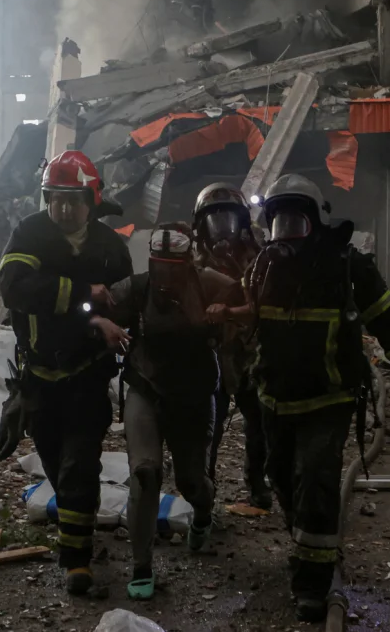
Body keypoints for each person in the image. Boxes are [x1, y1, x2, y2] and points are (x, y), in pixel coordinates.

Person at [244, 174, 390, 622]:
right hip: (275, 399)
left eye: (297, 222)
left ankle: (312, 584)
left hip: (328, 400)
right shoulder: (262, 268)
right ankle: (308, 544)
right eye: (279, 222)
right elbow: (237, 318)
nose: (286, 233)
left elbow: (388, 320)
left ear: (317, 224)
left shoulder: (347, 268)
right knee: (282, 479)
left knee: (315, 478)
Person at [0, 150, 133, 596]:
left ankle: (77, 560)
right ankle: (79, 521)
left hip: (86, 376)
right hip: (39, 378)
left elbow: (122, 303)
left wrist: (110, 323)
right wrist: (82, 297)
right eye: (55, 198)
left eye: (72, 199)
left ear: (91, 201)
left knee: (79, 464)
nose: (63, 208)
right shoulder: (30, 234)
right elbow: (15, 289)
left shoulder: (110, 248)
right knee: (56, 463)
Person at [104, 222, 242, 600]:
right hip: (146, 390)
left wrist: (227, 312)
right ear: (151, 262)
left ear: (188, 263)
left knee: (191, 481)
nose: (166, 276)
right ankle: (141, 565)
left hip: (194, 397)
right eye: (160, 266)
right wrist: (101, 323)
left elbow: (251, 303)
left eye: (174, 267)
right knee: (145, 473)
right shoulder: (136, 288)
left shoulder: (211, 283)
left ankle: (203, 513)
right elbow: (92, 309)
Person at [191, 183, 272, 510]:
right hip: (213, 356)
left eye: (229, 218)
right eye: (215, 219)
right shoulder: (193, 262)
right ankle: (204, 487)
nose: (222, 227)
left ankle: (257, 482)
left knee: (260, 422)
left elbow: (264, 306)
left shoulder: (260, 257)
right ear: (201, 225)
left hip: (251, 354)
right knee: (209, 425)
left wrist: (229, 312)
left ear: (242, 222)